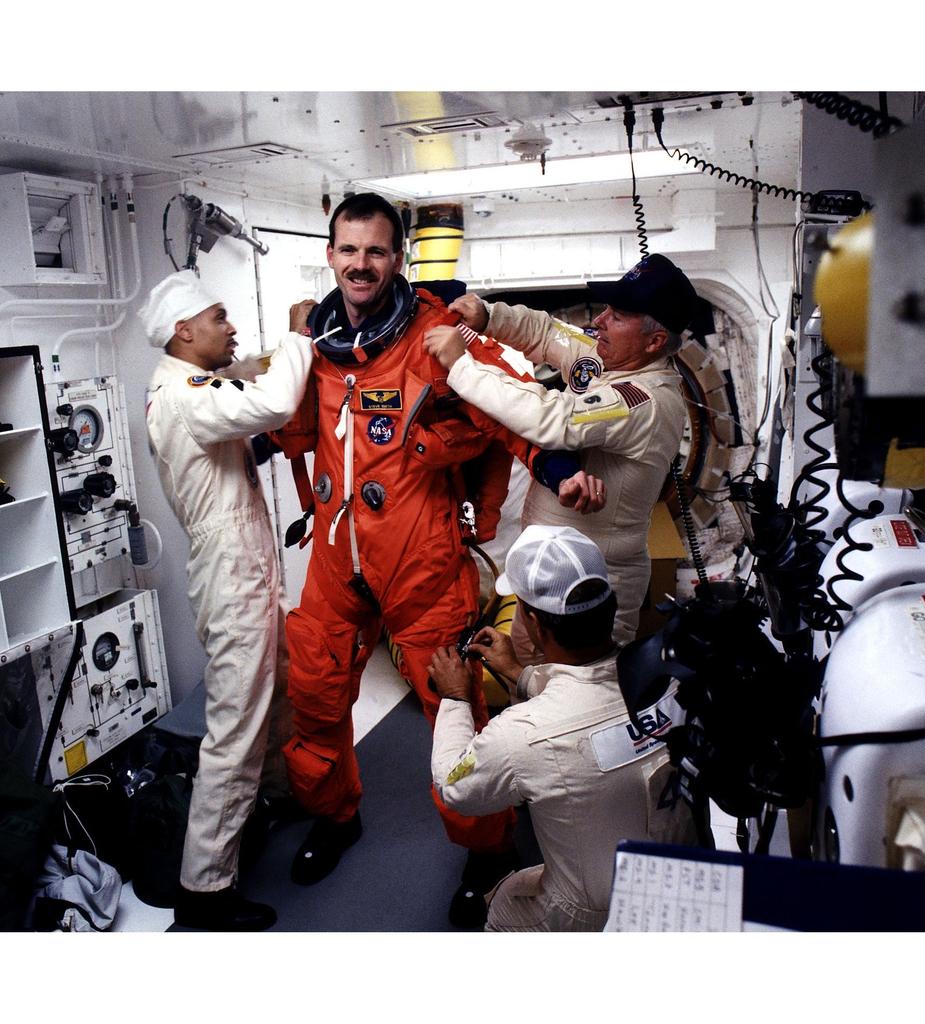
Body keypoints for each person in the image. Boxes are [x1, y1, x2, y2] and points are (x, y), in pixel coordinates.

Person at [270, 193, 602, 927]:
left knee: (456, 708)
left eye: (377, 252)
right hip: (336, 560)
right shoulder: (310, 344)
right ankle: (336, 816)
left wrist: (558, 471)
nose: (361, 265)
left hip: (421, 561)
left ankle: (486, 853)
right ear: (330, 254)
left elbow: (513, 409)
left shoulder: (437, 336)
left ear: (398, 259)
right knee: (319, 696)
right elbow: (273, 413)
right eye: (349, 250)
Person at [141, 270, 316, 931]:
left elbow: (249, 428)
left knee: (274, 695)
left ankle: (269, 799)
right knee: (235, 729)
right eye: (220, 317)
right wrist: (299, 339)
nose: (231, 327)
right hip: (229, 570)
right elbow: (267, 406)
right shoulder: (185, 392)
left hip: (244, 562)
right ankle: (205, 890)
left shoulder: (195, 388)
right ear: (185, 331)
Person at [423, 253, 696, 663]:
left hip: (593, 587)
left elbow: (554, 420)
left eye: (618, 316)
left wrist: (461, 366)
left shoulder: (646, 400)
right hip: (546, 572)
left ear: (654, 341)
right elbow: (548, 332)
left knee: (573, 703)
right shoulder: (608, 358)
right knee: (527, 685)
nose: (601, 321)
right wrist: (488, 316)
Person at [427, 524, 698, 931]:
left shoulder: (521, 735)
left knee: (500, 904)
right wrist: (518, 674)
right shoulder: (672, 676)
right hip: (685, 877)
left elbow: (454, 785)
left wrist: (456, 698)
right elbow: (590, 693)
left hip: (591, 915)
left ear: (534, 623)